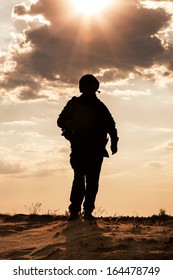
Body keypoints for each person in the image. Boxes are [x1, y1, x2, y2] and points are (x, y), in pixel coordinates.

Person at [57, 74, 119, 221]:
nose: (91, 89)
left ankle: (88, 211)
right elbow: (60, 121)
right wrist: (69, 125)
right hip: (79, 148)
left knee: (92, 182)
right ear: (83, 88)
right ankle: (75, 211)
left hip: (96, 150)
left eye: (93, 87)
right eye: (88, 86)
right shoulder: (74, 104)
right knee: (79, 179)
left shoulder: (100, 107)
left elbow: (111, 125)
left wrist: (114, 142)